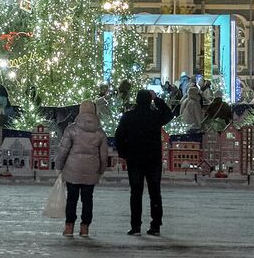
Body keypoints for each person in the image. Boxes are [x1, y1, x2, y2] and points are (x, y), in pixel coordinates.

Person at [113, 88, 172, 236]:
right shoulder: (155, 116)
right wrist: (157, 99)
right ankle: (156, 225)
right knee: (155, 193)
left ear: (137, 100)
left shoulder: (128, 116)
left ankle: (135, 226)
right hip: (153, 160)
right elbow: (169, 114)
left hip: (135, 159)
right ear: (149, 100)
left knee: (136, 193)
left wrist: (124, 152)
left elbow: (119, 136)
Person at [54, 100, 112, 237]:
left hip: (72, 171)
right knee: (87, 200)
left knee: (71, 199)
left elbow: (63, 150)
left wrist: (58, 167)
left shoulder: (71, 130)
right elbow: (104, 155)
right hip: (91, 172)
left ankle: (69, 227)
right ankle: (85, 227)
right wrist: (101, 170)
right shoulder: (100, 133)